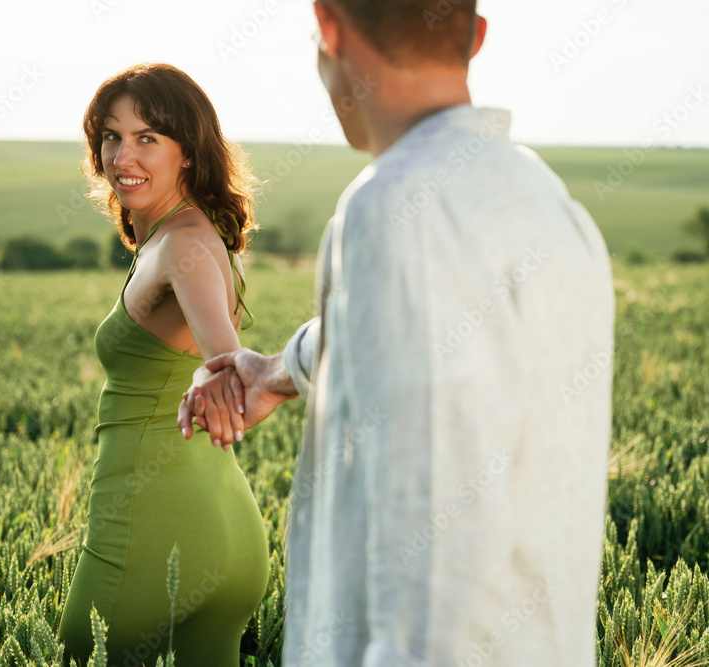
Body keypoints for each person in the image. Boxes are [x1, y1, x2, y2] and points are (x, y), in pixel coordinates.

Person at [179, 1, 616, 664]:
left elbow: (435, 538)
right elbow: (444, 337)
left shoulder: (394, 207)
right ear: (476, 37)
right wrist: (277, 370)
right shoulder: (548, 201)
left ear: (329, 26)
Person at [58, 62, 269, 667]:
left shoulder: (182, 246)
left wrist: (223, 371)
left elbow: (226, 359)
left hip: (151, 536)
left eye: (148, 137)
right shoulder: (192, 236)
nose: (122, 155)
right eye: (111, 136)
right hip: (227, 535)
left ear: (189, 153)